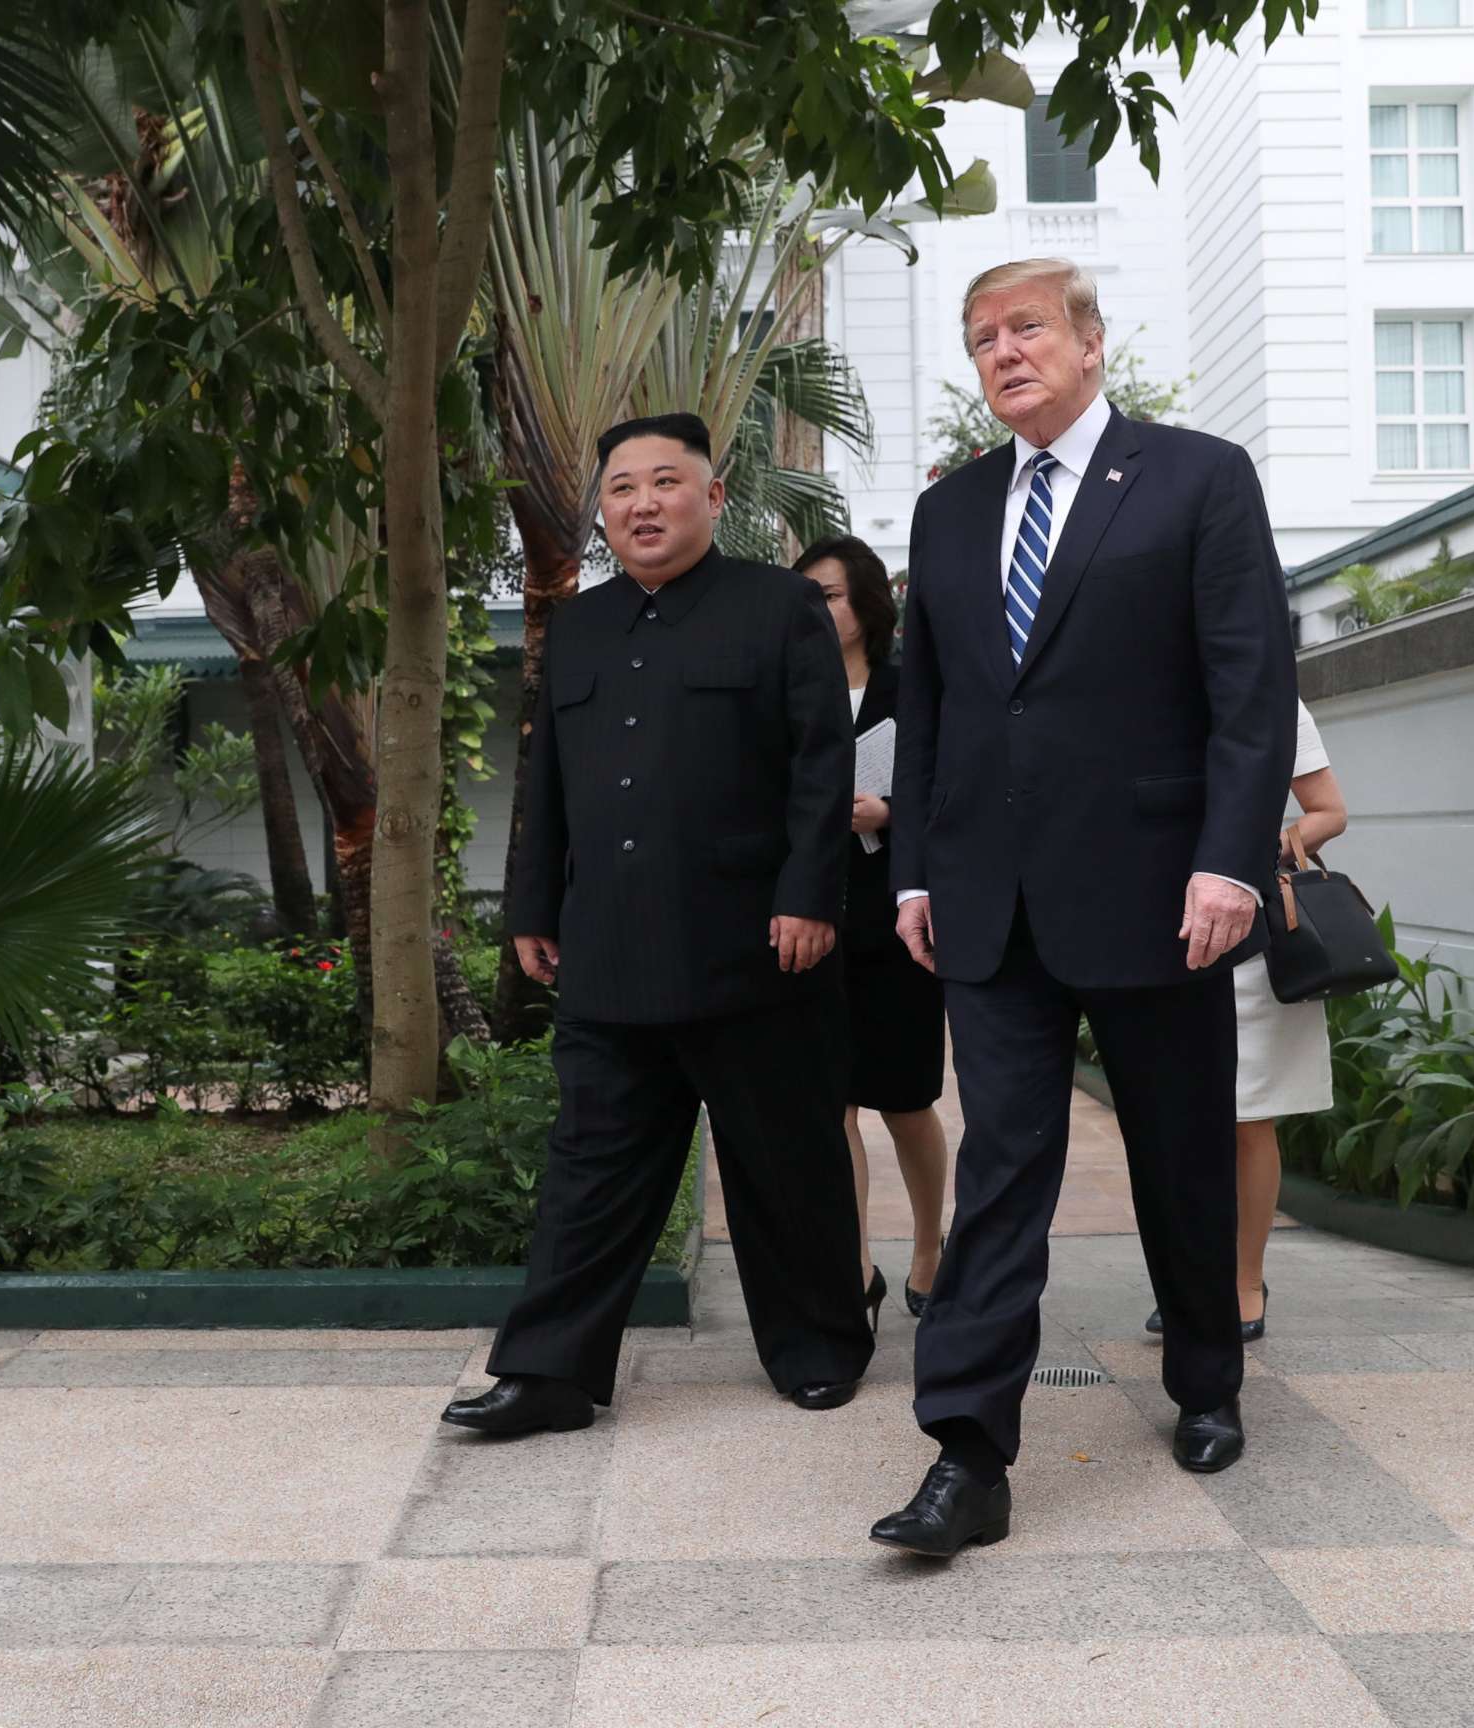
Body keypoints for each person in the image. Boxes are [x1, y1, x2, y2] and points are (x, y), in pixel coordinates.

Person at [870, 259, 1297, 1558]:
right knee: (1004, 1164)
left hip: (1163, 892)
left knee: (1178, 1155)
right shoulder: (948, 515)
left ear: (1092, 343)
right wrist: (919, 872)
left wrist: (1229, 860)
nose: (1004, 352)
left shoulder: (1197, 478)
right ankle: (968, 1451)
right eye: (982, 337)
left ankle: (1208, 1381)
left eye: (1028, 329)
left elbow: (1251, 686)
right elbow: (930, 709)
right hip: (992, 903)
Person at [444, 412, 877, 1439]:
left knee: (785, 1161)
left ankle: (819, 1348)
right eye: (622, 487)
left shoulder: (778, 609)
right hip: (610, 950)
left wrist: (810, 895)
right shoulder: (581, 625)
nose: (642, 502)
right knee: (591, 1171)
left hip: (760, 946)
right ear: (604, 509)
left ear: (713, 498)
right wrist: (535, 907)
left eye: (666, 482)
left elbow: (824, 765)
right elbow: (547, 780)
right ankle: (547, 1372)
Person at [1144, 700, 1345, 1343]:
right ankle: (1185, 1281)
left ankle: (1244, 1280)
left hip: (1248, 926)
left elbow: (1329, 811)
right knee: (1171, 1124)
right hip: (1152, 928)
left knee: (1247, 1117)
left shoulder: (1271, 697)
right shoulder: (1137, 678)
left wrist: (1268, 842)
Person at [795, 534, 949, 1322]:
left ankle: (929, 1245)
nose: (817, 609)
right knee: (834, 1105)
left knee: (907, 1099)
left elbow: (957, 790)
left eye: (828, 594)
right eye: (807, 596)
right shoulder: (788, 691)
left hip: (901, 918)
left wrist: (891, 813)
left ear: (865, 605)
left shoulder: (910, 688)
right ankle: (854, 1265)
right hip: (814, 920)